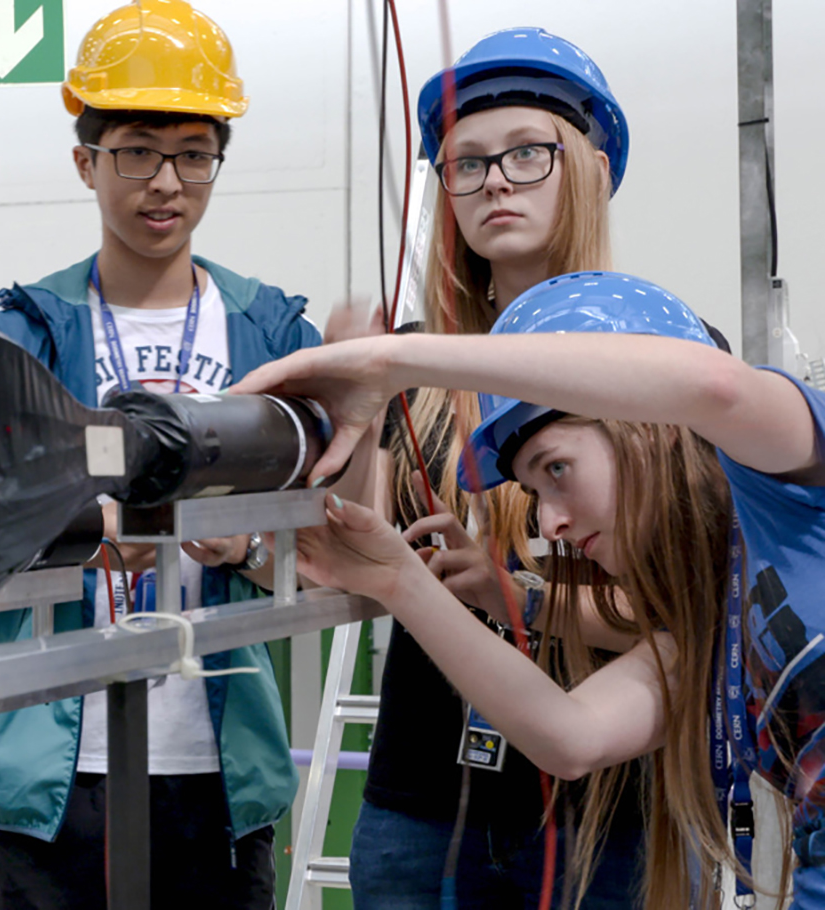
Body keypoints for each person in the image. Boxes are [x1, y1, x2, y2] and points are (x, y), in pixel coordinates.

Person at [233, 271, 825, 908]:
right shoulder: (708, 623)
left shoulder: (789, 481)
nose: (549, 523)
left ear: (650, 423)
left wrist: (390, 360)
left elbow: (715, 387)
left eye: (557, 469)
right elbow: (569, 737)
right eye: (535, 491)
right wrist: (398, 580)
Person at [0, 1, 318, 906]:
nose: (167, 182)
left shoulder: (269, 331)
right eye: (137, 151)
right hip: (52, 768)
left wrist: (254, 540)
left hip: (220, 761)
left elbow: (337, 519)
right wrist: (84, 521)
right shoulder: (21, 335)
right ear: (86, 160)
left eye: (194, 153)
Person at [346, 27, 644, 908]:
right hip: (422, 810)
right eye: (466, 164)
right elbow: (357, 576)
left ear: (588, 166)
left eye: (526, 153)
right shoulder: (405, 364)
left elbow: (690, 622)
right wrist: (353, 410)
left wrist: (513, 597)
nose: (495, 181)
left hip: (614, 819)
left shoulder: (666, 353)